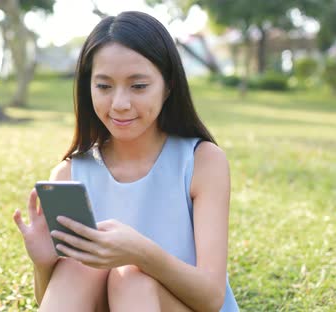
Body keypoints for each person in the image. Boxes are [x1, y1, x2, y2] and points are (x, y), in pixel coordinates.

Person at [13, 11, 239, 311]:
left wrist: (140, 254)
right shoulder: (69, 174)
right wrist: (43, 265)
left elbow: (211, 299)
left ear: (168, 85)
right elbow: (63, 298)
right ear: (87, 87)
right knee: (76, 269)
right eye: (104, 86)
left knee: (131, 279)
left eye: (139, 86)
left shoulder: (202, 162)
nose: (120, 104)